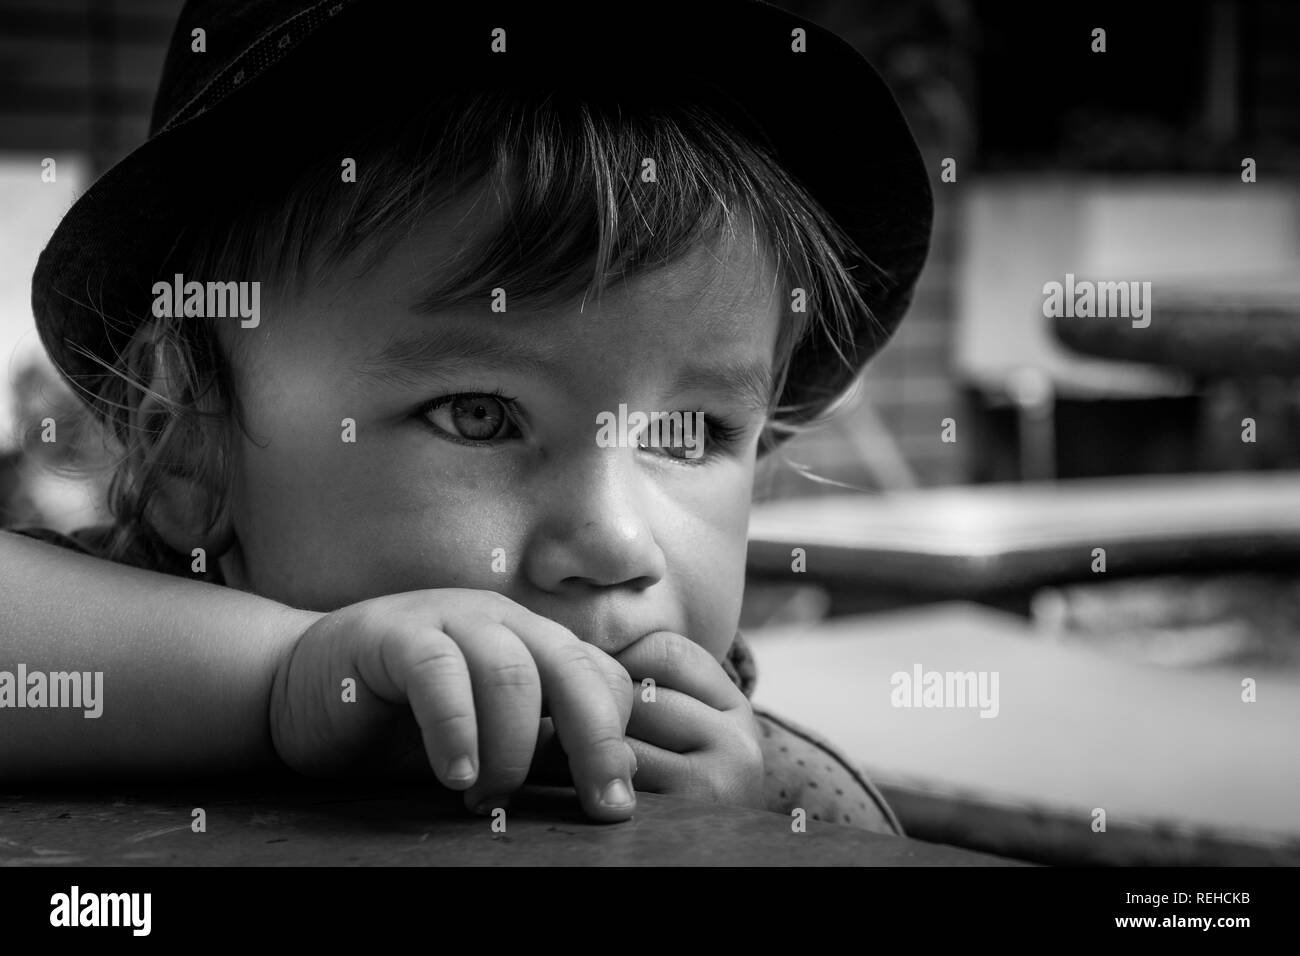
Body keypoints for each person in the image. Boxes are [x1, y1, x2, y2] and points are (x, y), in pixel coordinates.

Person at [2, 0, 931, 834]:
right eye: (479, 415)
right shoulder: (90, 660)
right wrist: (280, 679)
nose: (613, 541)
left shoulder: (803, 800)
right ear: (188, 446)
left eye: (689, 434)